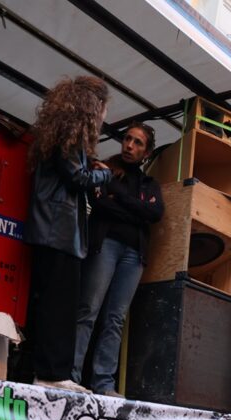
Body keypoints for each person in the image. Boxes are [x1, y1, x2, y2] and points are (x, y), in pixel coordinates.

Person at [26, 76, 113, 392]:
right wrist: (105, 174)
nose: (104, 117)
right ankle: (51, 374)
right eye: (104, 109)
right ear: (94, 106)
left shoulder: (62, 133)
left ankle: (51, 372)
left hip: (52, 229)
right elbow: (77, 178)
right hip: (57, 231)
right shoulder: (72, 136)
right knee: (58, 306)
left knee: (53, 304)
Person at [72, 122, 164, 397]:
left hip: (134, 255)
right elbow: (101, 205)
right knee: (88, 310)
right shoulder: (105, 170)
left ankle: (103, 384)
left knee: (115, 319)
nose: (129, 145)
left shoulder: (149, 184)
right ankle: (72, 376)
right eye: (127, 139)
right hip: (106, 245)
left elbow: (155, 213)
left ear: (146, 152)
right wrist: (136, 209)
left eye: (137, 143)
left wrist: (119, 196)